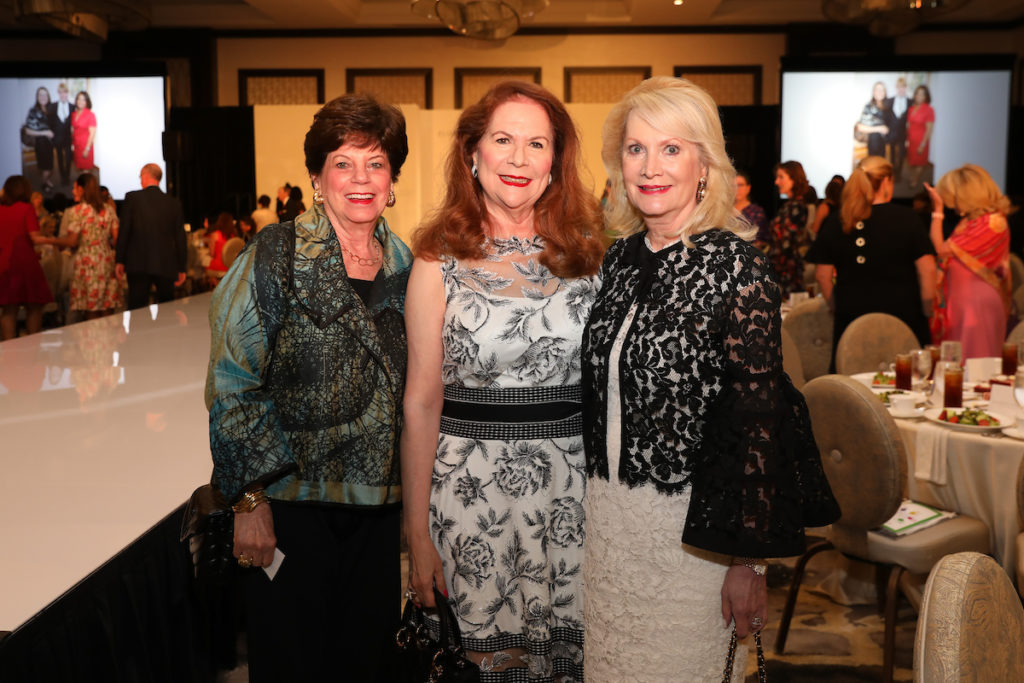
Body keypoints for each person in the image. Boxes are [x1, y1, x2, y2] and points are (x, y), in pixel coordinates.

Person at [580, 76, 839, 682]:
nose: (650, 166)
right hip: (607, 530)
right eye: (636, 148)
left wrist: (748, 564)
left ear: (705, 165)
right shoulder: (616, 260)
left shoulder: (737, 266)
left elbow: (758, 422)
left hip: (695, 540)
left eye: (672, 148)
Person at [206, 93, 412, 683]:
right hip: (290, 509)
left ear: (393, 178)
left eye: (375, 163)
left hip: (378, 512)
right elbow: (232, 380)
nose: (360, 178)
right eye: (343, 163)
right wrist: (249, 500)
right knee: (291, 665)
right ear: (317, 179)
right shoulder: (274, 256)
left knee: (364, 664)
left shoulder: (408, 266)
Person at [402, 80, 604, 681]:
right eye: (503, 140)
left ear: (555, 162)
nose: (518, 158)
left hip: (575, 498)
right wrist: (417, 535)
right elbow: (419, 404)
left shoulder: (590, 255)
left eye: (536, 143)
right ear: (473, 153)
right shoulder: (437, 260)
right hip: (471, 501)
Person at [806, 157, 935, 369]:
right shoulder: (908, 219)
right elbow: (928, 270)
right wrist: (927, 310)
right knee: (908, 385)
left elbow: (822, 275)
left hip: (852, 318)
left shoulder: (839, 219)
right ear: (886, 182)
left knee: (852, 387)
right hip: (903, 318)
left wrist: (835, 306)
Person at [926, 164, 1013, 359]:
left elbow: (941, 249)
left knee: (977, 363)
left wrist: (937, 212)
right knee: (958, 363)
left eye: (954, 198)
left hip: (976, 304)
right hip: (961, 301)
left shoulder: (992, 222)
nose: (953, 204)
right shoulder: (971, 221)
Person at [115, 163, 187, 309]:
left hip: (137, 264)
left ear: (146, 175)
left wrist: (120, 260)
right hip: (166, 264)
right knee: (167, 313)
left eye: (140, 176)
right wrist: (182, 267)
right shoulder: (173, 203)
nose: (140, 180)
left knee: (137, 311)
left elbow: (124, 231)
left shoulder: (132, 198)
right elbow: (180, 237)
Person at [51, 173, 121, 320]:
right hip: (106, 260)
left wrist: (50, 240)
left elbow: (72, 241)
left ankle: (93, 341)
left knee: (92, 309)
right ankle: (109, 341)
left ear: (82, 189)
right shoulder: (109, 210)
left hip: (87, 262)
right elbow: (117, 240)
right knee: (107, 308)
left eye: (75, 188)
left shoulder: (78, 211)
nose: (72, 191)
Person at [0, 176, 54, 340]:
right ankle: (32, 348)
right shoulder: (26, 208)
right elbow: (35, 238)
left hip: (5, 263)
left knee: (9, 309)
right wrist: (57, 240)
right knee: (34, 307)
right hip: (25, 262)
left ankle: (8, 350)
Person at [767, 160, 810, 296]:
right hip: (784, 270)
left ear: (794, 178)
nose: (776, 182)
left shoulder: (796, 206)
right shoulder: (790, 205)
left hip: (787, 272)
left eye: (781, 177)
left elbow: (787, 244)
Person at [23, 87, 55, 192]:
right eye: (40, 95)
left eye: (45, 94)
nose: (43, 97)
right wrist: (44, 132)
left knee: (50, 166)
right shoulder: (33, 111)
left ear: (48, 96)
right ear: (37, 97)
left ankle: (47, 180)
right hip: (41, 143)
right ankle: (44, 184)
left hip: (50, 143)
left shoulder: (50, 108)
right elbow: (27, 130)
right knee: (47, 167)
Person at [907, 85, 935, 189]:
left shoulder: (929, 110)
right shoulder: (911, 108)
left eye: (922, 94)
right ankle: (912, 176)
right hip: (911, 141)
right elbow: (909, 125)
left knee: (919, 163)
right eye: (917, 93)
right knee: (911, 161)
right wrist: (907, 140)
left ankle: (914, 179)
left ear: (926, 97)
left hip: (921, 141)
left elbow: (929, 130)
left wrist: (922, 145)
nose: (919, 96)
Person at [47, 83, 75, 186]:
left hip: (68, 139)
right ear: (58, 93)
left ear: (68, 93)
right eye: (61, 92)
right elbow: (49, 122)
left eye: (65, 92)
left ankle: (67, 176)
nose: (63, 95)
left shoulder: (72, 107)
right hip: (57, 139)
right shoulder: (53, 106)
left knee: (68, 159)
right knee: (59, 159)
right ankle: (63, 177)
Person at [884, 77, 912, 181]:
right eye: (899, 87)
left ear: (906, 88)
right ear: (896, 88)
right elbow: (886, 117)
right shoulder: (889, 101)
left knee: (901, 155)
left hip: (902, 134)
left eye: (903, 87)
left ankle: (899, 173)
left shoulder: (910, 102)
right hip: (891, 133)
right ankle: (892, 173)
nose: (901, 89)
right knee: (891, 155)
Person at [855, 81, 892, 158]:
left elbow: (890, 124)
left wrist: (887, 129)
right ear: (874, 92)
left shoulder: (888, 106)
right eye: (877, 89)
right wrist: (879, 128)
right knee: (875, 137)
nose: (880, 92)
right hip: (873, 141)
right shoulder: (869, 106)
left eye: (882, 90)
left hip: (885, 140)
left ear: (885, 92)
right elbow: (860, 127)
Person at [734, 170, 767, 242]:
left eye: (740, 185)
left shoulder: (756, 211)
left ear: (748, 188)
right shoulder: (724, 210)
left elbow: (760, 239)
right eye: (734, 185)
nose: (737, 189)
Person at [205, 211, 239, 276]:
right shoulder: (234, 234)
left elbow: (212, 254)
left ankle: (216, 284)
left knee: (205, 266)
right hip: (232, 266)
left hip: (219, 266)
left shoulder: (215, 235)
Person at [71, 91, 97, 172]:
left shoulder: (90, 115)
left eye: (83, 99)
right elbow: (73, 130)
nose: (80, 101)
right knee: (79, 167)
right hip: (77, 146)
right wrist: (72, 144)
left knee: (86, 170)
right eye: (79, 99)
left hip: (85, 146)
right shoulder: (74, 114)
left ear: (87, 102)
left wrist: (87, 149)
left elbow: (92, 134)